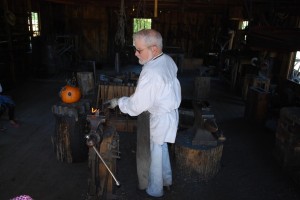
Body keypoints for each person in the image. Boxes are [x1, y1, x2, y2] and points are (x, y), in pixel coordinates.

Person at [108, 29, 181, 198]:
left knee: (156, 152)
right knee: (162, 148)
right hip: (171, 114)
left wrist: (119, 102)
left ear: (153, 49)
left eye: (139, 50)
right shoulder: (167, 60)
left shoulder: (151, 72)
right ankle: (167, 180)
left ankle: (156, 190)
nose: (135, 53)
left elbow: (136, 107)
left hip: (161, 117)